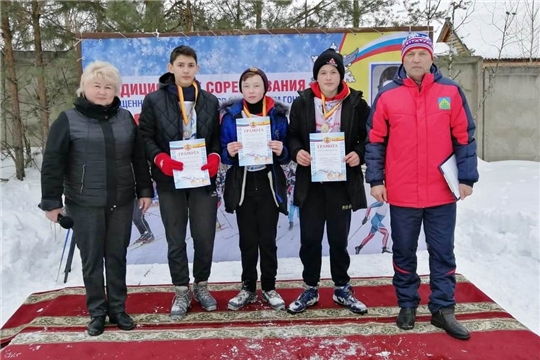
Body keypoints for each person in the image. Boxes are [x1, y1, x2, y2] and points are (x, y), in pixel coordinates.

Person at [365, 33, 479, 340]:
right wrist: (376, 180)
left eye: (422, 53)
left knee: (443, 251)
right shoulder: (388, 95)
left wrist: (467, 177)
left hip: (441, 191)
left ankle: (443, 308)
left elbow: (464, 135)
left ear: (431, 58)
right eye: (411, 53)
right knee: (403, 251)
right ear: (403, 59)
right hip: (402, 192)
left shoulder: (450, 92)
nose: (416, 59)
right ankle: (408, 304)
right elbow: (375, 141)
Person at [40, 61, 153, 336]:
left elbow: (138, 157)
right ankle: (97, 313)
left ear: (116, 90)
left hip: (122, 201)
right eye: (97, 86)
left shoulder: (125, 118)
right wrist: (51, 202)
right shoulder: (67, 119)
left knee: (116, 257)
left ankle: (118, 308)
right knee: (92, 259)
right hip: (84, 203)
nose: (102, 92)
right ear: (85, 87)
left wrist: (145, 190)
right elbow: (53, 161)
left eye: (109, 87)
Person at [138, 45, 221, 320]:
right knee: (175, 238)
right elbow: (145, 137)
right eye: (181, 65)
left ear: (197, 68)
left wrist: (214, 156)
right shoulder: (154, 100)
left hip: (201, 179)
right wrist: (159, 158)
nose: (186, 70)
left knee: (204, 236)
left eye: (191, 65)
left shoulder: (209, 100)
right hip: (170, 179)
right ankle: (181, 290)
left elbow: (217, 138)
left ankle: (202, 285)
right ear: (170, 67)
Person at [287, 48, 371, 314]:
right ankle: (310, 287)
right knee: (310, 239)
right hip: (311, 183)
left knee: (338, 240)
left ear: (341, 75)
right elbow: (292, 135)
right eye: (323, 72)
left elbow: (369, 138)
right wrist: (297, 151)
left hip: (341, 183)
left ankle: (341, 287)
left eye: (333, 72)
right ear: (316, 76)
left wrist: (359, 154)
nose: (328, 77)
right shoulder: (302, 102)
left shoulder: (357, 103)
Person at [220, 68, 290, 311]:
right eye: (247, 85)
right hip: (244, 184)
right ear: (241, 89)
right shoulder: (230, 115)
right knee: (247, 241)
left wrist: (282, 151)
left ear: (265, 88)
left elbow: (287, 154)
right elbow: (224, 154)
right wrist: (228, 152)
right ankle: (248, 288)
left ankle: (269, 287)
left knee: (268, 240)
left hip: (269, 183)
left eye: (256, 85)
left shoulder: (278, 115)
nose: (252, 90)